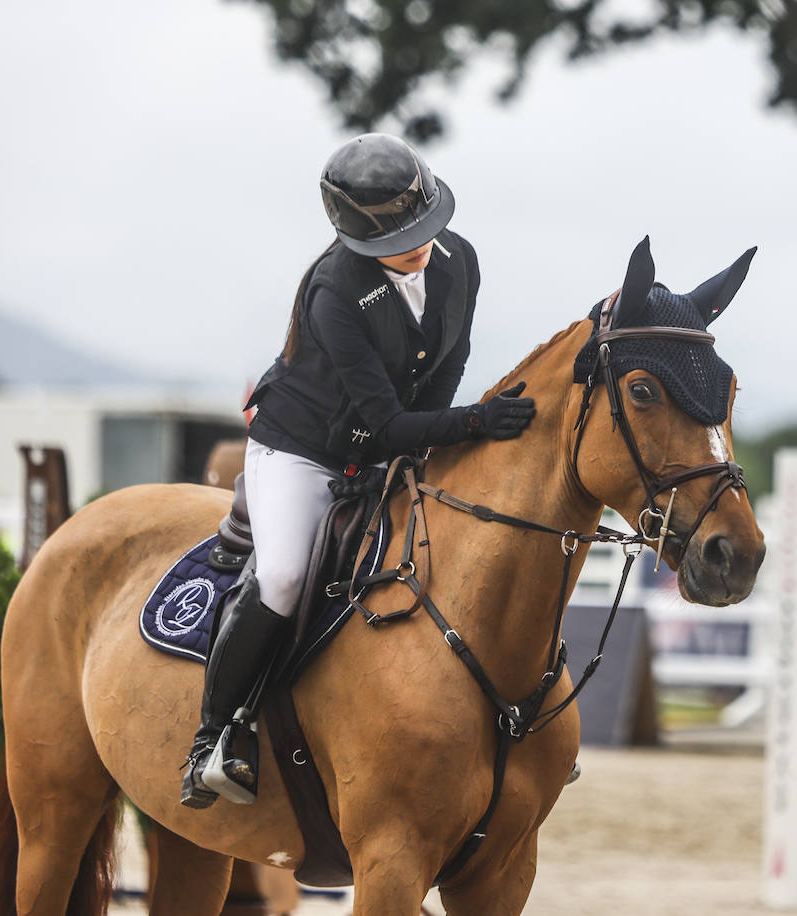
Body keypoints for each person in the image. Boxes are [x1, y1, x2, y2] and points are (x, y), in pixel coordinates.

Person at [181, 133, 537, 808]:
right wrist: (472, 423)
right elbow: (382, 421)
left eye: (426, 228)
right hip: (301, 449)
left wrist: (442, 438)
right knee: (284, 575)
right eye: (398, 241)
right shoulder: (334, 293)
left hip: (394, 440)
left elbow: (448, 363)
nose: (419, 246)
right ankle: (215, 738)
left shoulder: (459, 259)